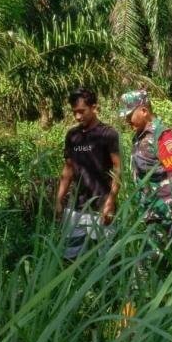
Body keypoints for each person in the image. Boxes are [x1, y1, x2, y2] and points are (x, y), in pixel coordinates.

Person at [119, 89, 172, 277]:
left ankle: (132, 305)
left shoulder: (162, 136)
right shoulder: (139, 137)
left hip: (167, 214)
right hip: (152, 211)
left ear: (143, 110)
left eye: (129, 115)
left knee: (142, 269)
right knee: (165, 268)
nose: (127, 120)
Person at [56, 88, 121, 260]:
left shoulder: (108, 134)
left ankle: (107, 287)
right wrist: (59, 199)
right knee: (69, 257)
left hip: (101, 207)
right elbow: (68, 169)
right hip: (75, 208)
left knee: (107, 259)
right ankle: (72, 287)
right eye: (74, 112)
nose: (78, 117)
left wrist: (111, 202)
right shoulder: (72, 135)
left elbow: (118, 169)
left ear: (94, 107)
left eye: (81, 111)